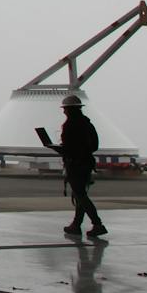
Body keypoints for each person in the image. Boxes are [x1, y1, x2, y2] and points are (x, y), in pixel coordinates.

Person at [55, 92, 106, 238]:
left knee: (80, 196)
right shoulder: (88, 124)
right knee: (80, 196)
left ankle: (97, 224)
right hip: (86, 164)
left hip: (75, 165)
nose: (64, 111)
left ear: (70, 110)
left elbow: (70, 148)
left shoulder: (69, 126)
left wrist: (60, 148)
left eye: (65, 109)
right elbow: (94, 145)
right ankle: (76, 225)